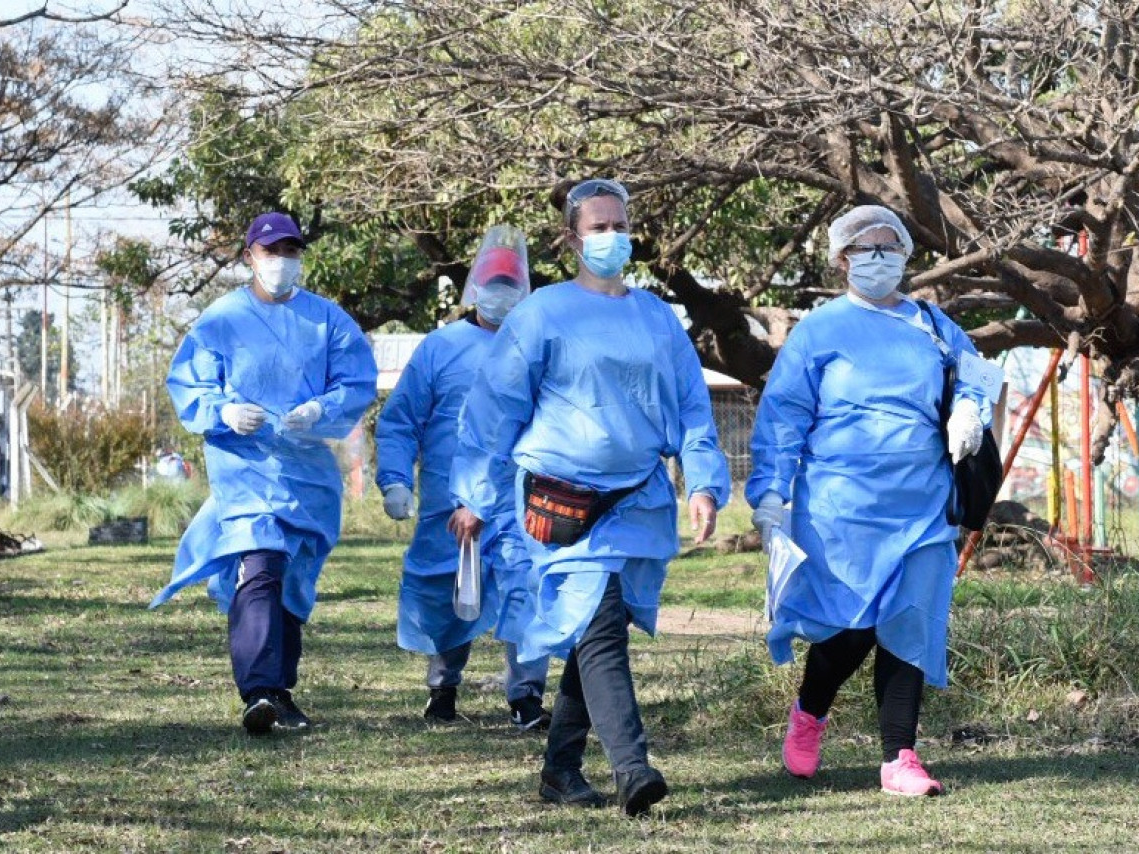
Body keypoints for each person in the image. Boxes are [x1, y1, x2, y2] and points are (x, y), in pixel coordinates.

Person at [448, 178, 731, 816]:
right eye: (597, 226)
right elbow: (492, 412)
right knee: (600, 623)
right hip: (558, 502)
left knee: (594, 628)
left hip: (635, 500)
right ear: (572, 238)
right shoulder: (542, 314)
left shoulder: (657, 317)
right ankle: (633, 768)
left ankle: (559, 770)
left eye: (618, 224)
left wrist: (704, 481)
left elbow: (691, 407)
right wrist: (470, 495)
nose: (611, 236)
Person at [746, 205, 988, 796]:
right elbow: (783, 415)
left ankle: (900, 757)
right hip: (840, 509)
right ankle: (809, 713)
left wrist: (968, 408)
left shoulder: (930, 323)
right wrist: (771, 491)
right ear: (841, 259)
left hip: (924, 503)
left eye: (890, 247)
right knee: (848, 631)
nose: (879, 258)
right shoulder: (819, 332)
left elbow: (976, 370)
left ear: (907, 256)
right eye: (866, 248)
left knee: (911, 621)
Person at [152, 212, 378, 735]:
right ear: (249, 255)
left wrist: (321, 410)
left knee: (293, 583)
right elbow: (191, 385)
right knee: (260, 569)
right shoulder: (220, 320)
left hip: (307, 479)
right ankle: (257, 691)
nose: (281, 260)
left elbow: (356, 381)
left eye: (291, 250)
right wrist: (223, 412)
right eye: (271, 250)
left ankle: (281, 689)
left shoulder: (327, 321)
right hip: (245, 473)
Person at [375, 225, 552, 731]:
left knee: (525, 590)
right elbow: (401, 419)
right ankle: (442, 687)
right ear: (476, 288)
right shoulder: (440, 349)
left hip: (521, 497)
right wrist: (395, 479)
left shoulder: (537, 348)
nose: (500, 295)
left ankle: (526, 697)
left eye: (509, 285)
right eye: (492, 284)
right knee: (450, 596)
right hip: (448, 501)